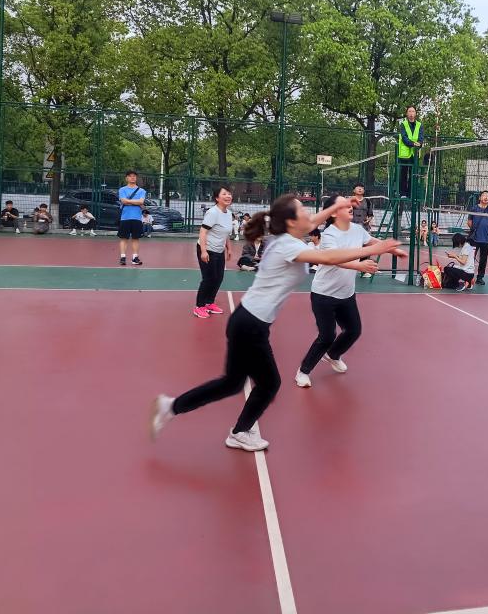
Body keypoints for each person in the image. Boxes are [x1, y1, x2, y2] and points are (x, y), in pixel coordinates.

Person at [150, 195, 406, 452]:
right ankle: (237, 431)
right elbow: (328, 258)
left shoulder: (289, 237)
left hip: (247, 321)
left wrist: (337, 206)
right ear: (292, 221)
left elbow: (311, 224)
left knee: (232, 383)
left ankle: (172, 407)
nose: (310, 216)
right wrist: (374, 249)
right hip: (250, 325)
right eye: (303, 211)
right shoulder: (287, 246)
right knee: (269, 383)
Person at [295, 195, 379, 388]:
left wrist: (390, 246)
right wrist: (359, 266)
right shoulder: (329, 235)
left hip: (346, 294)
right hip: (324, 295)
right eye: (343, 204)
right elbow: (335, 259)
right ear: (333, 213)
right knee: (327, 336)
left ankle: (333, 354)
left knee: (354, 330)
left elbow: (372, 241)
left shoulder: (358, 229)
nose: (349, 206)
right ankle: (303, 371)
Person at [193, 186, 234, 319]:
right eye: (224, 194)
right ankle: (199, 306)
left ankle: (209, 302)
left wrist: (229, 248)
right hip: (207, 249)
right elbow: (203, 232)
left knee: (218, 278)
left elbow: (225, 233)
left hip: (219, 250)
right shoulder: (212, 213)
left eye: (229, 194)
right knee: (208, 278)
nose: (228, 196)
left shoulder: (228, 213)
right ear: (217, 198)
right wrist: (203, 251)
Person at [466, 190, 488, 286]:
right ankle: (469, 277)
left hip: (486, 239)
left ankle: (480, 278)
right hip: (474, 238)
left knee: (483, 260)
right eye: (484, 195)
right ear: (480, 198)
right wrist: (475, 230)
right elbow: (469, 222)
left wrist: (487, 229)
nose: (486, 197)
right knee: (471, 258)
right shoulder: (474, 209)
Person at [117, 170, 146, 266]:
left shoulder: (142, 191)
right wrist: (136, 202)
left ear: (136, 178)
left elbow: (141, 202)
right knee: (124, 238)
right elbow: (123, 201)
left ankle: (135, 258)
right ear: (126, 178)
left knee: (135, 238)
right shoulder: (122, 190)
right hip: (125, 218)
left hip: (137, 218)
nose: (132, 177)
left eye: (134, 176)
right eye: (130, 176)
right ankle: (122, 257)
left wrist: (129, 201)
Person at [396, 105, 422, 197]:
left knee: (413, 174)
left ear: (415, 113)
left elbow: (421, 138)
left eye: (413, 111)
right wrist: (413, 144)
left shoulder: (419, 125)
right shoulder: (403, 124)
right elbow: (404, 138)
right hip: (404, 154)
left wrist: (419, 143)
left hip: (415, 154)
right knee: (403, 173)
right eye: (409, 111)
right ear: (407, 113)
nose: (411, 113)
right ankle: (402, 193)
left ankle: (411, 194)